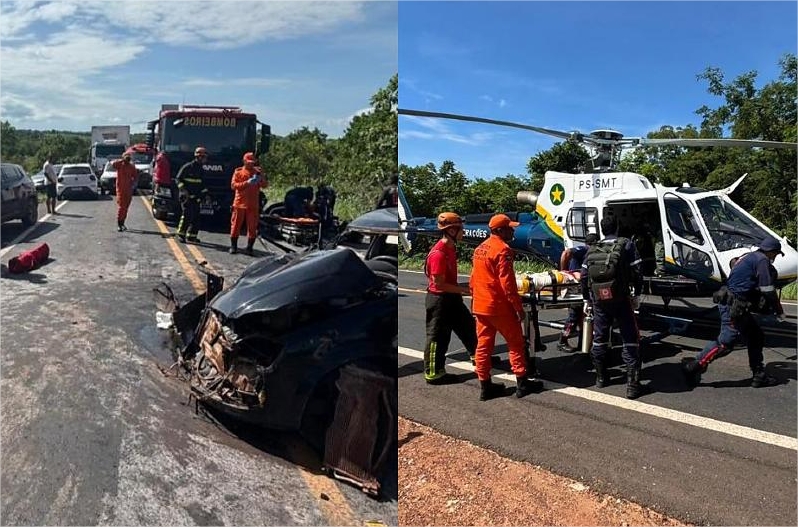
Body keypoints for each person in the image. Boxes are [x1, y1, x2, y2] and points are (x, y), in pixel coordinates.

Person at [682, 235, 784, 389]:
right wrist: (778, 310)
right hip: (733, 305)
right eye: (776, 254)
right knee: (726, 342)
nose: (775, 257)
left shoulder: (749, 256)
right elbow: (767, 289)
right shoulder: (762, 260)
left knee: (755, 336)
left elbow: (734, 265)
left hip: (737, 304)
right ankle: (694, 366)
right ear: (771, 251)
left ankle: (759, 375)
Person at [471, 214, 542, 400]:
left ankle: (485, 386)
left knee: (483, 347)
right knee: (516, 344)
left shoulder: (479, 249)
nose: (513, 231)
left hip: (480, 305)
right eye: (510, 228)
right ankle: (522, 382)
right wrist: (518, 308)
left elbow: (473, 280)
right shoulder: (503, 250)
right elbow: (508, 284)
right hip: (499, 306)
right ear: (500, 230)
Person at [581, 215, 646, 399]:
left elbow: (584, 275)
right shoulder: (626, 244)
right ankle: (632, 385)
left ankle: (601, 378)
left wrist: (587, 299)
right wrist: (637, 294)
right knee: (630, 337)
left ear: (602, 230)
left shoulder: (593, 248)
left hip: (598, 300)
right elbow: (638, 270)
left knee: (600, 336)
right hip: (621, 298)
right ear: (617, 228)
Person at [422, 212, 478, 385]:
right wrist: (465, 290)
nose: (464, 232)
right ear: (452, 230)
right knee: (438, 337)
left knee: (468, 327)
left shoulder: (451, 248)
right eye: (461, 229)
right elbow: (439, 284)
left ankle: (478, 357)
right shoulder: (439, 254)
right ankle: (433, 373)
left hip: (451, 298)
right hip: (440, 300)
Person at [557, 233, 598, 351]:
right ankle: (562, 341)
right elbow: (567, 253)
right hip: (575, 287)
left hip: (582, 287)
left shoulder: (589, 253)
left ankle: (583, 341)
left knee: (584, 316)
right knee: (574, 316)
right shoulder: (584, 250)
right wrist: (563, 272)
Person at [229, 152, 267, 255]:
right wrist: (247, 182)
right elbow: (233, 186)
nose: (251, 164)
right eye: (249, 162)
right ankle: (233, 246)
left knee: (252, 227)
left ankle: (249, 248)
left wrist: (261, 176)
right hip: (239, 203)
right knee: (236, 225)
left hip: (253, 204)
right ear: (244, 161)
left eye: (252, 162)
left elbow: (264, 185)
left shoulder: (257, 172)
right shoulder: (238, 172)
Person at [175, 146, 209, 243]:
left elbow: (203, 184)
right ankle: (181, 234)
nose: (204, 159)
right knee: (186, 215)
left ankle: (191, 236)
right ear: (198, 157)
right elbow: (178, 179)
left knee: (196, 217)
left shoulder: (201, 170)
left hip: (196, 197)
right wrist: (183, 190)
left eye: (204, 157)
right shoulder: (187, 167)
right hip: (186, 197)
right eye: (203, 157)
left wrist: (205, 195)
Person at [111, 152, 139, 232]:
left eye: (129, 157)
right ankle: (119, 224)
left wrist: (133, 185)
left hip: (128, 190)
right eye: (126, 157)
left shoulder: (131, 167)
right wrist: (122, 160)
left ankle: (122, 223)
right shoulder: (120, 165)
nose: (128, 158)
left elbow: (135, 177)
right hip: (121, 190)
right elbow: (113, 164)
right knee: (122, 207)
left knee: (126, 207)